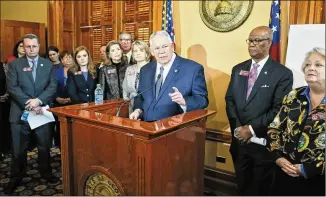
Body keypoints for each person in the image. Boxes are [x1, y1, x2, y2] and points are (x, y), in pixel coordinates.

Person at [225, 26, 293, 195]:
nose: (251, 44)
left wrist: (251, 129)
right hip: (239, 142)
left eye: (257, 40)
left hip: (263, 145)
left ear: (269, 42)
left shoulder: (282, 73)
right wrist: (239, 128)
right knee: (242, 186)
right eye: (250, 40)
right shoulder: (237, 69)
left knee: (260, 190)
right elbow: (230, 100)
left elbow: (279, 109)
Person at [266, 47, 325, 196]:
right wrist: (277, 157)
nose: (311, 68)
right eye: (307, 64)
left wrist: (308, 169)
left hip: (319, 182)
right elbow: (275, 129)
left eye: (318, 65)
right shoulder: (294, 95)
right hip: (284, 172)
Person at [5, 34, 57, 194]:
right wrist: (30, 102)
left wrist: (39, 101)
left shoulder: (48, 65)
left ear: (39, 46)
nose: (31, 49)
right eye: (27, 46)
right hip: (20, 113)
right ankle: (16, 177)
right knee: (18, 149)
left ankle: (46, 173)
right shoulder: (14, 64)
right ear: (23, 46)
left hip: (41, 111)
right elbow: (12, 87)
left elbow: (52, 86)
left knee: (44, 146)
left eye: (34, 46)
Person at [131, 31, 208, 121]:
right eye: (157, 48)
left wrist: (184, 101)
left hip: (175, 129)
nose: (161, 52)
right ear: (151, 51)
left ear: (172, 46)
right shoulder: (145, 70)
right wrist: (138, 110)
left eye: (165, 46)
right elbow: (140, 96)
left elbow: (202, 100)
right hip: (147, 128)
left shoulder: (192, 69)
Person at [122, 40, 151, 113]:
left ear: (147, 53)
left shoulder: (152, 68)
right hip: (131, 106)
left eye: (141, 50)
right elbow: (125, 88)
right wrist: (126, 101)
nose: (138, 53)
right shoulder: (129, 69)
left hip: (148, 106)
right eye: (135, 51)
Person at [53, 50, 73, 148]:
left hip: (73, 104)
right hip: (58, 103)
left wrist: (71, 99)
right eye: (66, 57)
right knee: (59, 127)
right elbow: (51, 86)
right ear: (61, 60)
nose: (68, 59)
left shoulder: (76, 71)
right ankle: (60, 147)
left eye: (70, 57)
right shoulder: (56, 72)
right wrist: (56, 98)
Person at [0, 61, 10, 158]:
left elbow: (8, 81)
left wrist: (6, 94)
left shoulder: (2, 65)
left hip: (4, 102)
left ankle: (3, 150)